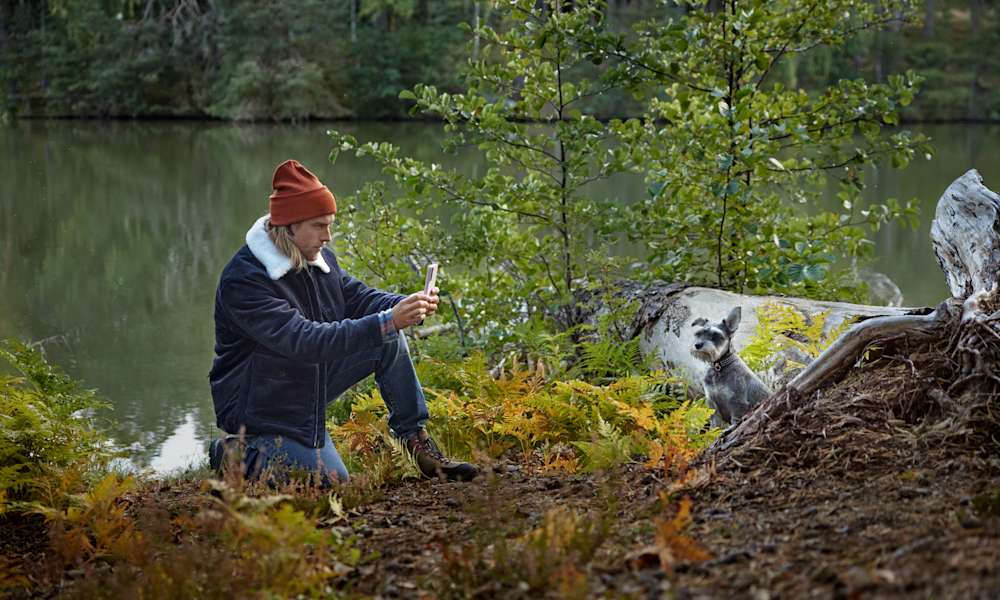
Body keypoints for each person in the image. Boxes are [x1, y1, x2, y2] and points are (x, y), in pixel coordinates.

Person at [207, 159, 479, 484]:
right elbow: (304, 341)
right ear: (290, 225)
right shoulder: (245, 280)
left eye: (330, 224)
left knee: (387, 336)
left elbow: (358, 298)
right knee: (333, 481)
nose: (328, 236)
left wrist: (405, 306)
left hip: (303, 382)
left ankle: (414, 442)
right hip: (260, 405)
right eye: (320, 226)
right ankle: (234, 452)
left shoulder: (318, 259)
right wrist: (388, 319)